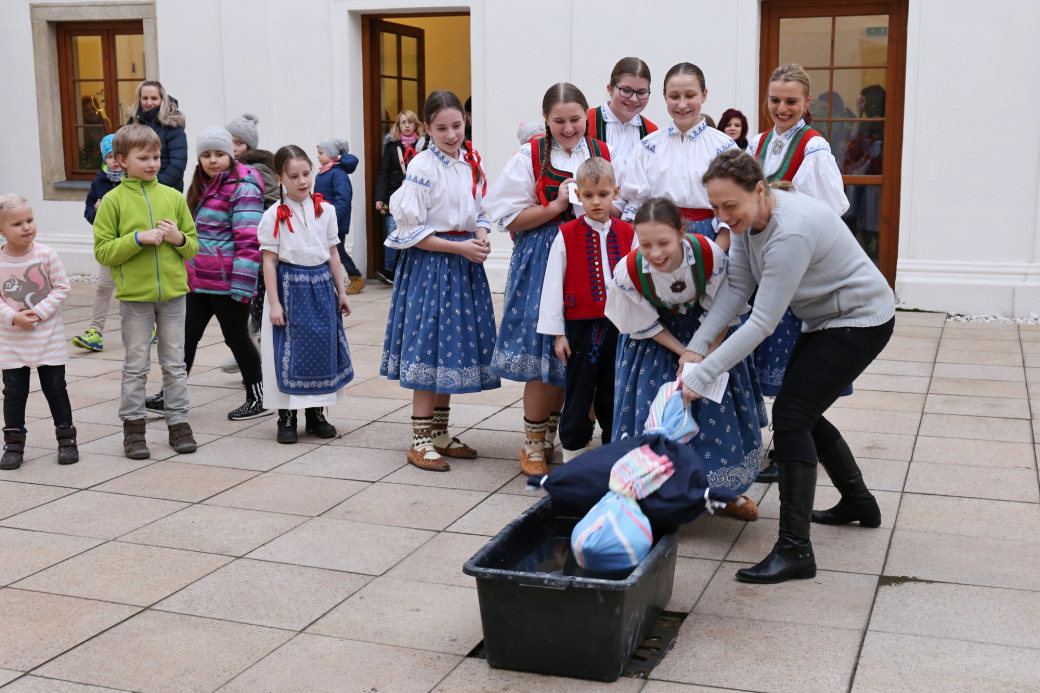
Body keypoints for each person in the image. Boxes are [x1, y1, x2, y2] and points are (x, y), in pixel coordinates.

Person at [681, 149, 895, 584]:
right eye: (715, 207)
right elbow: (739, 287)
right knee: (803, 411)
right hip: (827, 317)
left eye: (730, 206)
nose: (723, 217)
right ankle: (858, 502)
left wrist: (703, 375)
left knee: (792, 416)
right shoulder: (746, 221)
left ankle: (795, 550)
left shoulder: (790, 232)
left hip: (861, 318)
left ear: (759, 191)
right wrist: (697, 346)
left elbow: (762, 321)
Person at [606, 197, 761, 521]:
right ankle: (653, 497)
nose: (656, 253)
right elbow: (641, 323)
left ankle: (724, 491)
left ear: (681, 232)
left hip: (711, 334)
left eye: (663, 242)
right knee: (656, 417)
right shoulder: (629, 270)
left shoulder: (708, 255)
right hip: (656, 340)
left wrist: (703, 356)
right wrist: (685, 354)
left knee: (717, 415)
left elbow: (725, 310)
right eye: (646, 244)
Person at [483, 83, 610, 475]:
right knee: (543, 350)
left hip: (589, 255)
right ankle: (534, 444)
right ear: (546, 120)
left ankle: (568, 437)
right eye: (559, 121)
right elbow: (507, 216)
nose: (569, 128)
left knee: (586, 349)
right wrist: (555, 206)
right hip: (542, 256)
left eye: (575, 119)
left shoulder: (601, 152)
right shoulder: (531, 155)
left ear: (585, 117)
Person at [381, 91, 500, 472]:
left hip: (463, 263)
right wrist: (459, 248)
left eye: (457, 126)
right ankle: (419, 440)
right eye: (442, 128)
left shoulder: (471, 162)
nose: (451, 135)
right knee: (429, 344)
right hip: (432, 265)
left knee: (450, 346)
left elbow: (482, 209)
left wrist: (480, 234)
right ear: (427, 129)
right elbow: (410, 230)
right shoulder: (422, 166)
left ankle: (440, 433)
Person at [747, 64, 852, 482]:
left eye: (791, 101)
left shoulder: (813, 148)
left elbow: (831, 211)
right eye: (775, 100)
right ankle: (784, 445)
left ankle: (790, 451)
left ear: (807, 102)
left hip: (796, 267)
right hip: (766, 263)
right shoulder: (759, 142)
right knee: (768, 362)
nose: (782, 108)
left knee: (795, 372)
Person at [143, 127, 267, 421]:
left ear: (231, 156)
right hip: (199, 280)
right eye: (207, 155)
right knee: (185, 337)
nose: (213, 160)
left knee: (236, 337)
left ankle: (258, 397)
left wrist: (243, 284)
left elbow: (249, 241)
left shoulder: (243, 186)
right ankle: (171, 394)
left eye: (220, 154)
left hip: (228, 282)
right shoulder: (201, 184)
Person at [93, 124, 200, 459]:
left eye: (156, 156)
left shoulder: (172, 196)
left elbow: (193, 246)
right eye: (144, 158)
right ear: (121, 160)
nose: (153, 163)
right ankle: (134, 430)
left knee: (174, 363)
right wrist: (138, 239)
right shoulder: (112, 202)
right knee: (135, 364)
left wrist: (177, 239)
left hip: (173, 295)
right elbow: (103, 252)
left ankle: (179, 424)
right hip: (134, 299)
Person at [537, 157, 633, 463]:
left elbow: (637, 282)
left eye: (603, 194)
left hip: (619, 328)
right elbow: (553, 285)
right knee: (578, 394)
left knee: (613, 392)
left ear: (615, 192)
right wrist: (557, 334)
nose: (596, 201)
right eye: (588, 195)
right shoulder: (566, 234)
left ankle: (612, 456)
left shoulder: (629, 233)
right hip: (580, 330)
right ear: (578, 194)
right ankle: (573, 457)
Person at [258, 145, 353, 444]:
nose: (302, 181)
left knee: (320, 351)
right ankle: (286, 417)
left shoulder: (326, 211)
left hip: (321, 286)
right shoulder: (273, 215)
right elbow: (269, 261)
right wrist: (274, 302)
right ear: (280, 179)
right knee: (288, 354)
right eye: (294, 176)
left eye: (306, 173)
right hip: (289, 287)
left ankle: (316, 414)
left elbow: (333, 254)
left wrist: (342, 291)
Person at [617, 63, 737, 252]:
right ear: (664, 96)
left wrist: (716, 254)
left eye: (690, 96)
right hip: (659, 241)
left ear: (704, 95)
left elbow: (734, 207)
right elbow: (636, 206)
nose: (682, 104)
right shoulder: (648, 147)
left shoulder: (724, 148)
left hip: (711, 241)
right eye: (674, 97)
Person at [0, 194, 77, 469]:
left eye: (29, 220)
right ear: (1, 230)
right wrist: (13, 317)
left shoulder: (46, 254)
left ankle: (67, 438)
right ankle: (13, 443)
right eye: (17, 223)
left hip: (48, 339)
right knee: (14, 392)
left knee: (56, 389)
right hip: (12, 342)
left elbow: (62, 287)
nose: (26, 227)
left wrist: (40, 312)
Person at [73, 134, 122, 352]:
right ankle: (95, 332)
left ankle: (148, 326)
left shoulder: (134, 180)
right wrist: (97, 212)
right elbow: (88, 211)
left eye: (118, 156)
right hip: (108, 244)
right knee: (104, 287)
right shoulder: (98, 182)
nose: (115, 161)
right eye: (110, 157)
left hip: (131, 244)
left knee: (132, 288)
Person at [586, 57, 658, 180]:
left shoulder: (651, 132)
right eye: (626, 90)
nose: (634, 99)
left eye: (641, 92)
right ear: (610, 89)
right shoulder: (586, 121)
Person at [374, 110, 424, 284]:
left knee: (413, 232)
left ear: (416, 124)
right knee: (393, 231)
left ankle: (409, 271)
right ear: (398, 125)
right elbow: (384, 174)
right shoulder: (391, 147)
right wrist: (379, 198)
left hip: (416, 198)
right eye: (403, 122)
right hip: (394, 197)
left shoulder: (422, 146)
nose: (407, 126)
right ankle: (389, 270)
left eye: (410, 122)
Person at [315, 138, 364, 295]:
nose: (318, 156)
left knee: (338, 251)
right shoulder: (323, 173)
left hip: (335, 221)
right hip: (323, 220)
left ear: (332, 155)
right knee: (328, 251)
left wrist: (333, 218)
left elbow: (343, 199)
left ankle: (355, 276)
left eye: (321, 153)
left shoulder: (338, 174)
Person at [125, 80, 187, 191]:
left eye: (154, 98)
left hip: (166, 189)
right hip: (136, 188)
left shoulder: (173, 124)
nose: (149, 103)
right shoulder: (132, 122)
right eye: (145, 98)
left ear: (162, 99)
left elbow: (178, 164)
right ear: (139, 99)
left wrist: (155, 184)